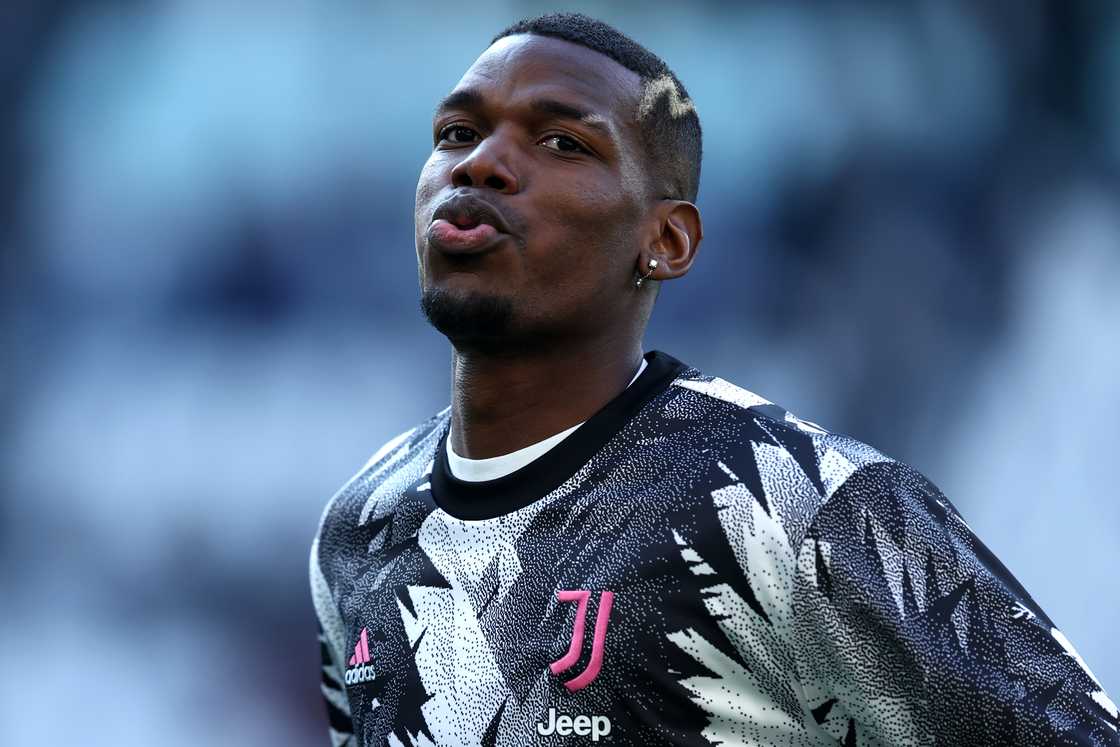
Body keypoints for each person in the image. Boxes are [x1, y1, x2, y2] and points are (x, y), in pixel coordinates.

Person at [309, 11, 1119, 747]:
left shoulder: (792, 500)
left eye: (563, 143)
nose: (482, 163)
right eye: (458, 132)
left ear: (667, 241)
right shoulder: (358, 527)